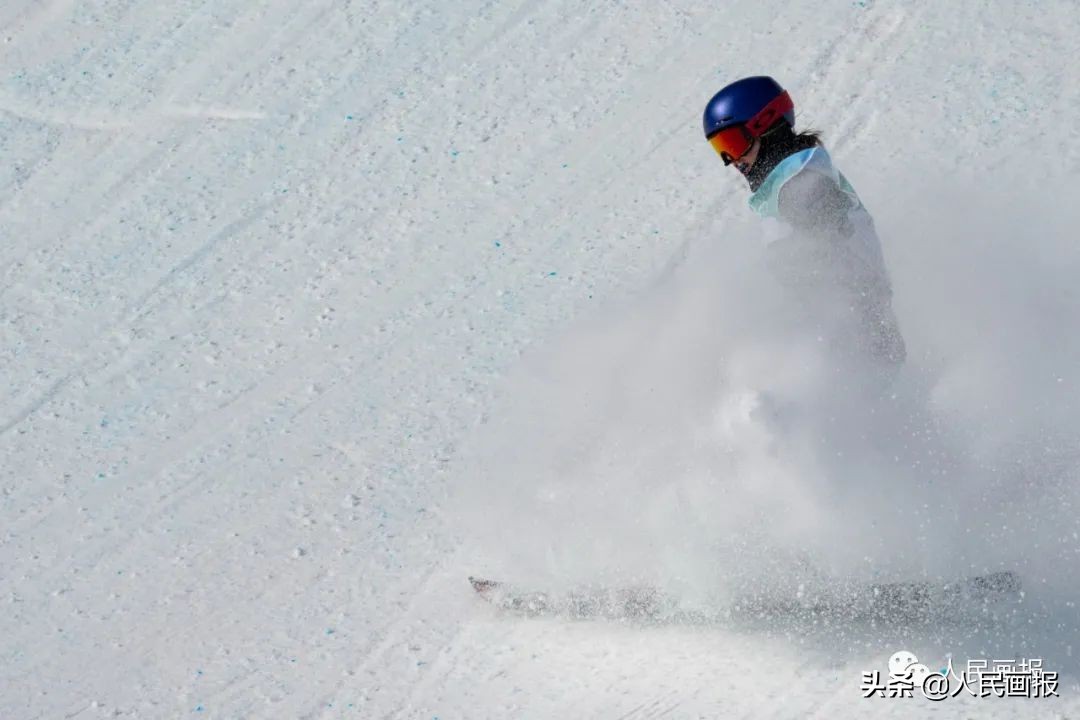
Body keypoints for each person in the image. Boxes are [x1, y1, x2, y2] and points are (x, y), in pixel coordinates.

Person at [703, 76, 906, 371]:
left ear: (765, 124)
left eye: (733, 143)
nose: (732, 161)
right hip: (859, 341)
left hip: (856, 347)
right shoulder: (793, 181)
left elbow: (836, 264)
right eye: (720, 148)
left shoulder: (801, 188)